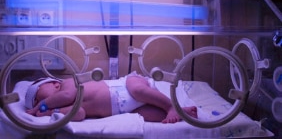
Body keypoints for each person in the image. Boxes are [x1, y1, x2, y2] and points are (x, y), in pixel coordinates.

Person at [25, 72, 198, 123]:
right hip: (123, 109)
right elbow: (79, 114)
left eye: (37, 95)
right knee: (145, 116)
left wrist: (39, 106)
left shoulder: (67, 84)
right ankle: (182, 113)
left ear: (54, 83)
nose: (37, 100)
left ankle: (170, 106)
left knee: (138, 90)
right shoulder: (60, 105)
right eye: (35, 101)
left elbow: (67, 96)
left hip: (126, 87)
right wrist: (50, 112)